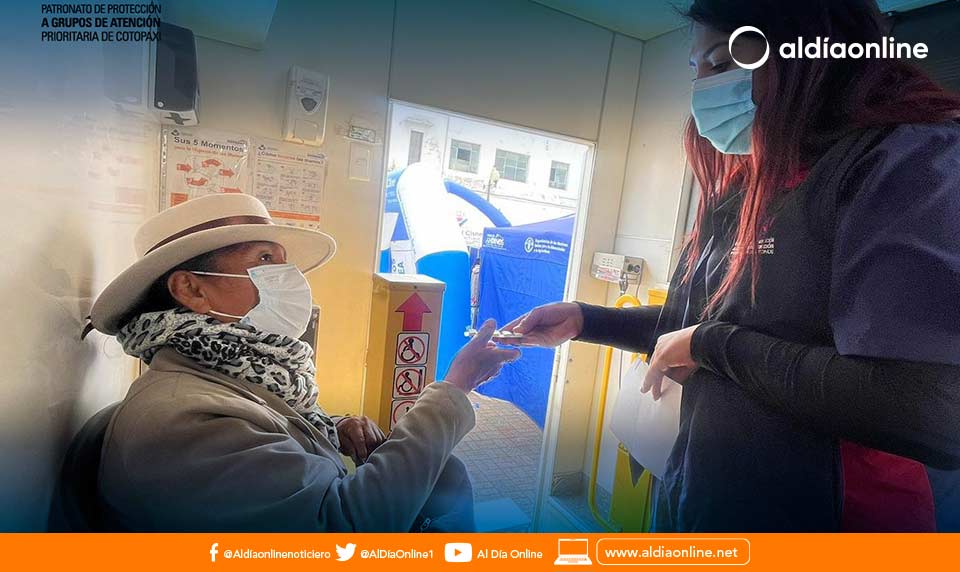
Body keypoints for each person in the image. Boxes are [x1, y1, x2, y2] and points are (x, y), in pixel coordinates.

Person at [507, 0, 960, 531]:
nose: (702, 89)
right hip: (710, 498)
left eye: (723, 63)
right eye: (696, 69)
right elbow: (694, 327)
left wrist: (711, 347)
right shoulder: (751, 185)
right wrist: (587, 319)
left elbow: (927, 409)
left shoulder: (902, 162)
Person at [86, 193, 520, 531]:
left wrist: (330, 429)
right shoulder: (184, 422)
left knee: (444, 476)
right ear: (192, 290)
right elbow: (343, 528)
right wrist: (453, 390)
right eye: (264, 260)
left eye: (284, 263)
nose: (290, 279)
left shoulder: (221, 373)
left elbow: (265, 429)